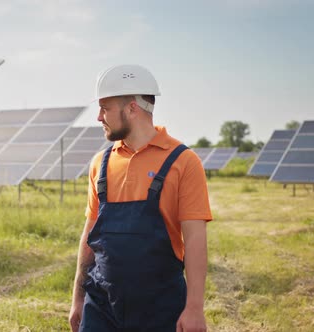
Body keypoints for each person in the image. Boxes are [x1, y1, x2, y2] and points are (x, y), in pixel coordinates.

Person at [69, 64, 212, 332]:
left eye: (105, 108)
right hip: (101, 307)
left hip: (161, 307)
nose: (99, 117)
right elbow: (89, 234)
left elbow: (194, 239)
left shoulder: (184, 162)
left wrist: (194, 307)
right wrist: (78, 298)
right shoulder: (100, 163)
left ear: (132, 108)